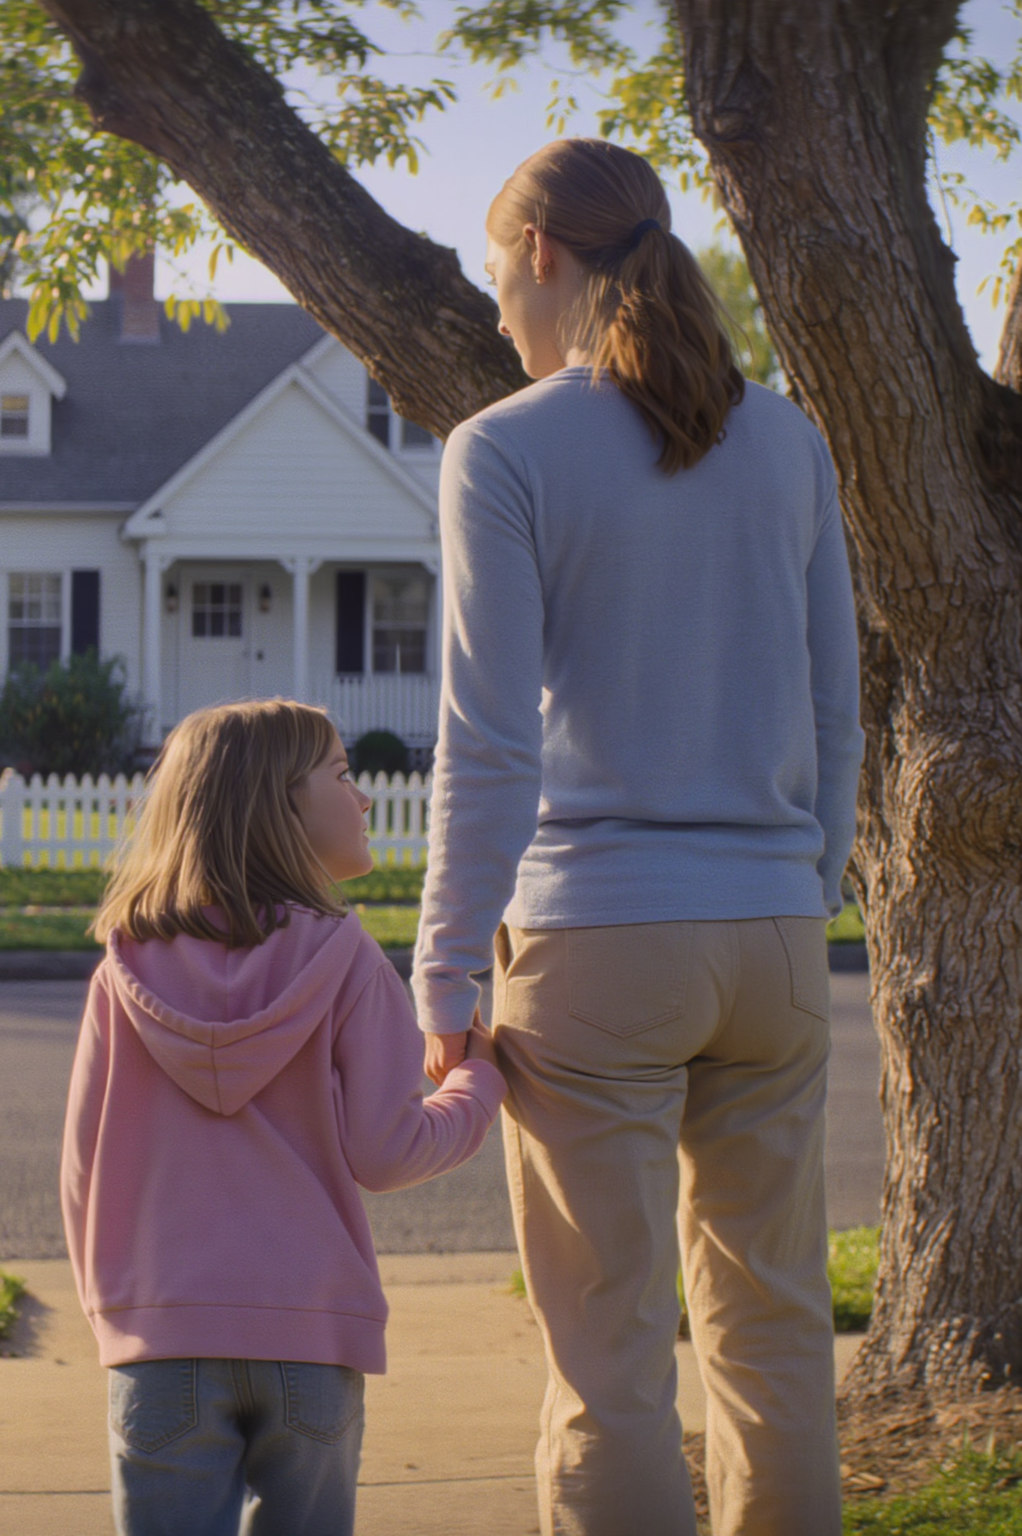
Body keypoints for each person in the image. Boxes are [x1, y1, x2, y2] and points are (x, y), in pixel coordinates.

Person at [413, 138, 863, 1536]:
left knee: (609, 1359)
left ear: (543, 253)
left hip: (598, 937)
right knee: (778, 1333)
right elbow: (839, 712)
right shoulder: (791, 443)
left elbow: (487, 742)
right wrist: (805, 883)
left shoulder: (503, 449)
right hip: (776, 938)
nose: (497, 315)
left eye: (498, 278)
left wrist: (441, 964)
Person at [61, 699, 505, 1536]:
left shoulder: (120, 976)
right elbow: (387, 1150)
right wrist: (477, 1085)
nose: (365, 798)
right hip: (311, 1341)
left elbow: (84, 1172)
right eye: (342, 775)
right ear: (280, 807)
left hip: (160, 1341)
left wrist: (118, 1315)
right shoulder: (347, 961)